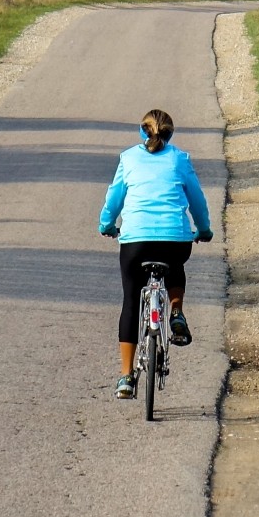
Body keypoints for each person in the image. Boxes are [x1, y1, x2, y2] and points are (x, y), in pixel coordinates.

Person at [97, 108, 213, 400]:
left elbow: (114, 198)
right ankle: (176, 312)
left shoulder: (128, 158)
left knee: (131, 298)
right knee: (175, 263)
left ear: (142, 132)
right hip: (175, 240)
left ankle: (126, 377)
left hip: (135, 242)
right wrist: (204, 229)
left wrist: (106, 224)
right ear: (170, 134)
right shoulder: (180, 159)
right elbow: (197, 199)